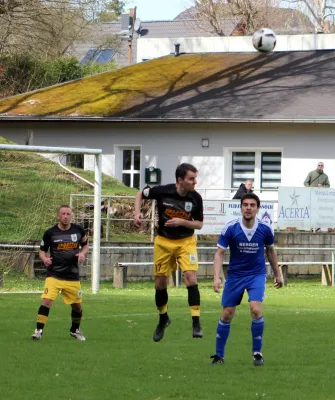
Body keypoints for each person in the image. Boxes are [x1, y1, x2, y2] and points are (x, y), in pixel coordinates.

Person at [210, 193, 283, 366]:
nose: (248, 208)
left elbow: (270, 251)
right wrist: (216, 277)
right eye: (245, 205)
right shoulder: (231, 228)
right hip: (235, 275)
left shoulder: (265, 229)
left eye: (252, 205)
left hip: (256, 275)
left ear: (258, 208)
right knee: (227, 314)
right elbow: (219, 253)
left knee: (256, 310)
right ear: (241, 207)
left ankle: (257, 353)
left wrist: (278, 273)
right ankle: (219, 356)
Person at [134, 163, 204, 342]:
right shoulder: (163, 191)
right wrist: (137, 214)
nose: (195, 182)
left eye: (195, 178)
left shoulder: (196, 198)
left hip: (186, 242)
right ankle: (163, 317)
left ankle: (196, 322)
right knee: (160, 284)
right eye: (191, 178)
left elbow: (199, 224)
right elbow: (140, 193)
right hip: (163, 242)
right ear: (180, 180)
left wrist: (182, 222)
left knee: (191, 277)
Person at [31, 205, 88, 341]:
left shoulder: (78, 230)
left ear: (71, 216)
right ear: (58, 216)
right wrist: (44, 258)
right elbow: (42, 250)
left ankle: (75, 330)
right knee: (46, 301)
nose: (66, 216)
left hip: (72, 276)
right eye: (63, 214)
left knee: (77, 306)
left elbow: (85, 245)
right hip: (54, 275)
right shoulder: (50, 233)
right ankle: (38, 331)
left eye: (68, 214)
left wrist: (82, 253)